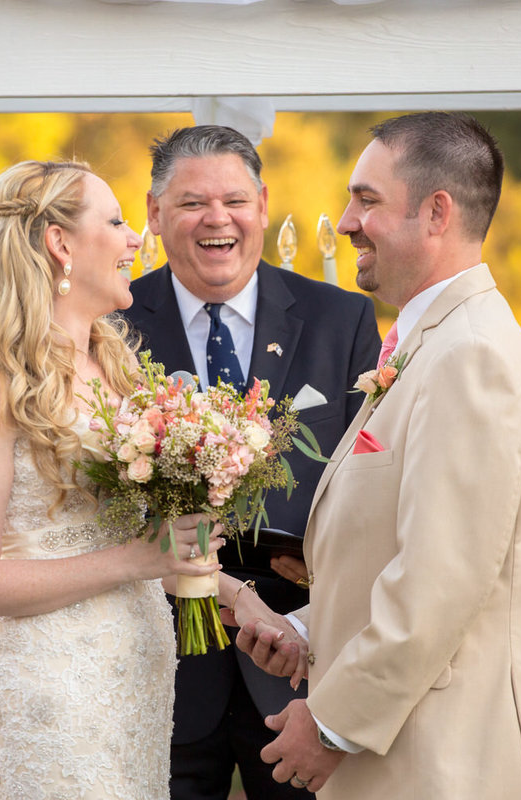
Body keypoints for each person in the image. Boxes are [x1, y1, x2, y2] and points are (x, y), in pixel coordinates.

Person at [0, 160, 291, 800]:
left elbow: (149, 546)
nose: (136, 239)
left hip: (139, 679)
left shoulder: (119, 371)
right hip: (52, 686)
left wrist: (241, 599)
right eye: (118, 221)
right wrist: (132, 561)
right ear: (59, 242)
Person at [238, 112, 521, 799]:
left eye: (367, 199)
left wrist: (328, 725)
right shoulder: (430, 345)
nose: (346, 220)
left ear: (436, 212)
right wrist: (308, 629)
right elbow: (403, 553)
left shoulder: (472, 356)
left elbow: (437, 584)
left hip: (444, 762)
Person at [121, 126, 381, 800]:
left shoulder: (342, 319)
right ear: (154, 213)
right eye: (191, 204)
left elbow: (372, 475)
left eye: (234, 200)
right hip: (157, 664)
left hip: (299, 661)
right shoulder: (111, 328)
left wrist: (323, 562)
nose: (218, 220)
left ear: (263, 204)